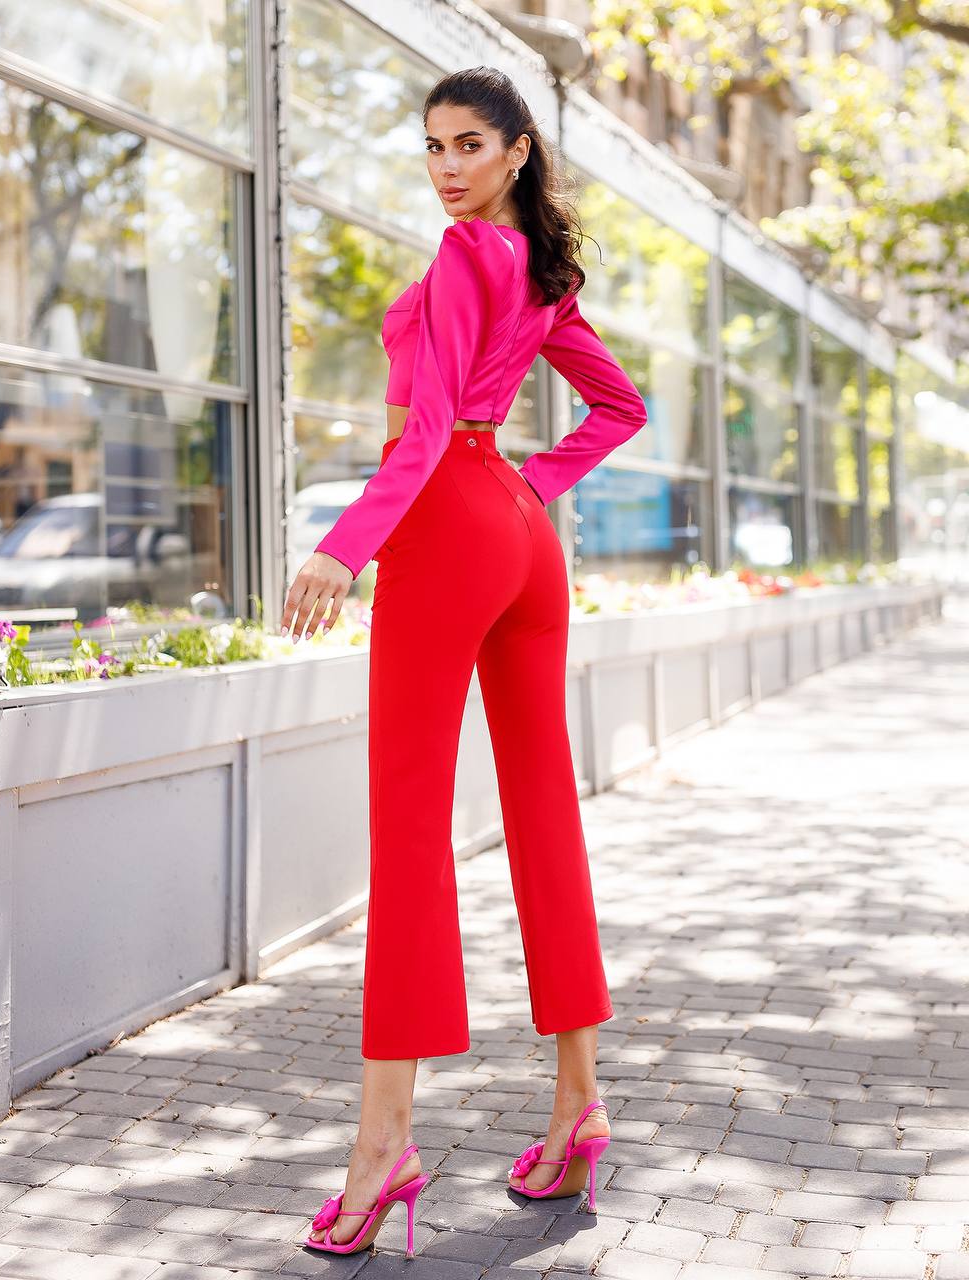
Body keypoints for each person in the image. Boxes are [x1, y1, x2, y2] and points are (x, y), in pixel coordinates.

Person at [281, 65, 648, 1256]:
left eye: (468, 144)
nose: (445, 165)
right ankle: (576, 1102)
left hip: (445, 523)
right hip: (519, 534)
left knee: (408, 826)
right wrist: (531, 486)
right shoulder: (542, 269)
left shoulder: (462, 258)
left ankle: (383, 1145)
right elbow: (617, 408)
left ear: (517, 150)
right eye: (432, 145)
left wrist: (341, 549)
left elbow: (427, 427)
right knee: (544, 808)